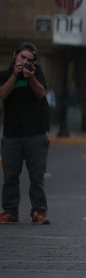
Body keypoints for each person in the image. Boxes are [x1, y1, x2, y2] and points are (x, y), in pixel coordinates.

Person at [0, 43, 51, 225]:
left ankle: (39, 211)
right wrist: (15, 75)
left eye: (29, 59)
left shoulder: (36, 73)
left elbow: (41, 93)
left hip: (35, 133)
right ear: (15, 55)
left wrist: (31, 78)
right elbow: (3, 94)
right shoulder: (5, 75)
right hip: (12, 134)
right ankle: (9, 211)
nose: (25, 61)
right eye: (22, 57)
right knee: (10, 177)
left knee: (37, 177)